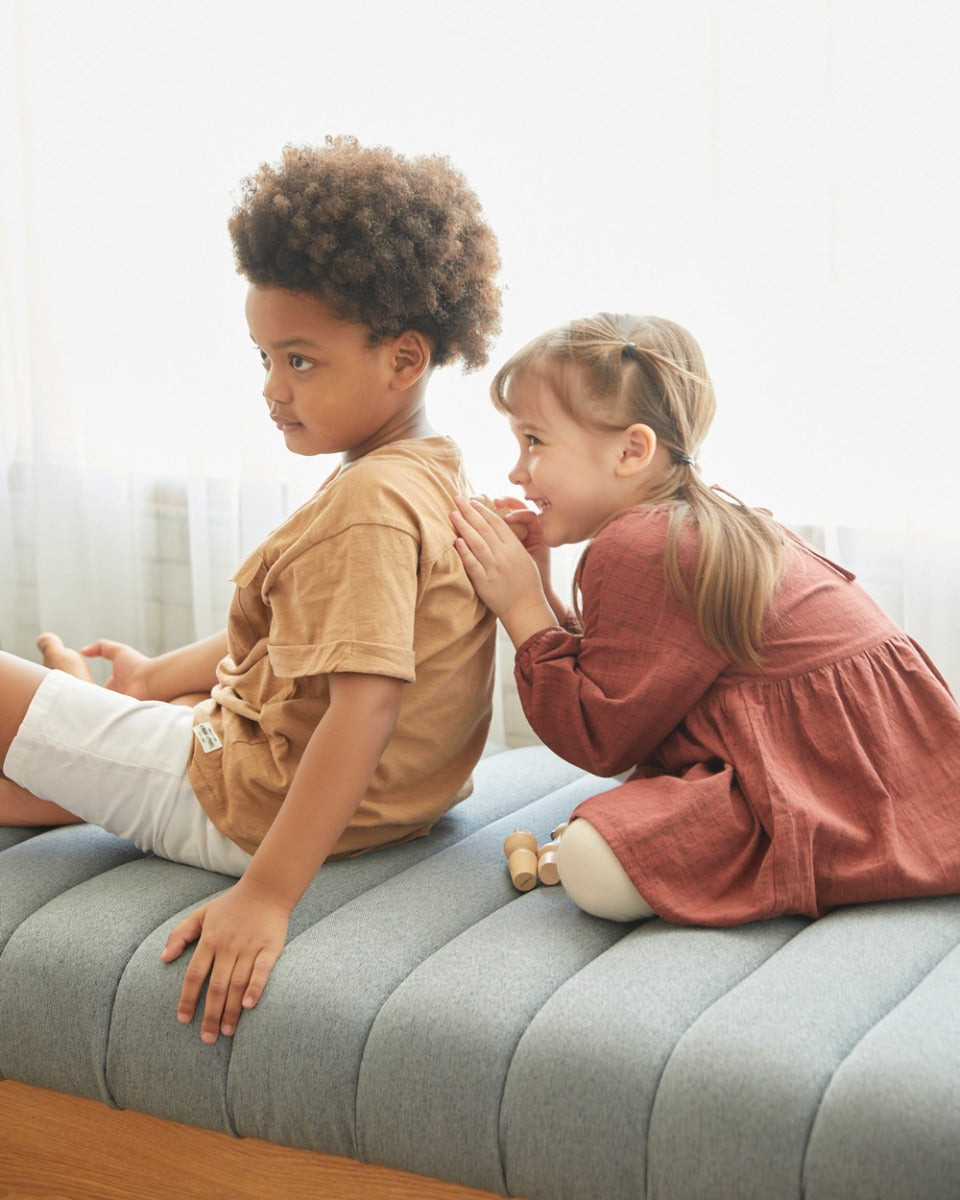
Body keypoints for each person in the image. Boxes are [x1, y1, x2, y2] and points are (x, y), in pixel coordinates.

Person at [0, 136, 501, 1043]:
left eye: (299, 361)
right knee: (149, 714)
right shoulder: (427, 469)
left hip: (254, 806)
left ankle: (84, 718)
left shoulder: (370, 505)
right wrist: (154, 681)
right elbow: (296, 644)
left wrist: (266, 894)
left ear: (403, 358)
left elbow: (366, 704)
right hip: (375, 805)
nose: (272, 388)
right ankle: (95, 728)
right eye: (264, 358)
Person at [451, 311, 960, 927]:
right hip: (896, 768)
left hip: (822, 781)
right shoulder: (700, 521)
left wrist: (520, 607)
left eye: (534, 441)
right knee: (608, 833)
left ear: (631, 450)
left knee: (590, 858)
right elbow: (627, 677)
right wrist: (541, 586)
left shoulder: (637, 546)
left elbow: (603, 737)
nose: (516, 471)